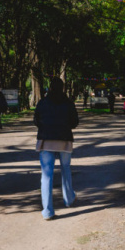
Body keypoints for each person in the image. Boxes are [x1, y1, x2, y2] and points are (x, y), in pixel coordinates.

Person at [34, 78, 79, 220]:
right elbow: (74, 122)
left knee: (47, 176)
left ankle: (47, 211)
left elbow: (36, 120)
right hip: (64, 141)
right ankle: (69, 198)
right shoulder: (68, 103)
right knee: (66, 169)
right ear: (63, 88)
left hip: (46, 141)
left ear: (50, 88)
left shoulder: (42, 103)